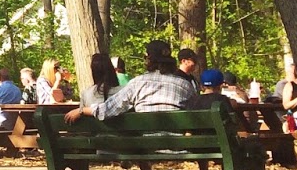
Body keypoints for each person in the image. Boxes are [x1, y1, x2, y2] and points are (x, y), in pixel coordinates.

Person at [63, 40, 198, 125]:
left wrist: (81, 110)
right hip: (178, 145)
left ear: (148, 60)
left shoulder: (137, 83)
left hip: (144, 146)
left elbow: (107, 109)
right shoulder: (185, 85)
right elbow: (195, 113)